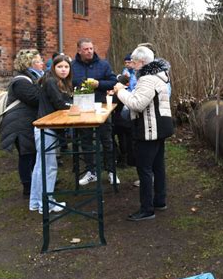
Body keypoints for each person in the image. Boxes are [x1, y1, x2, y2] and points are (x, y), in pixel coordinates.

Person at [113, 46, 174, 221]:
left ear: (141, 62)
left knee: (144, 169)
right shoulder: (158, 76)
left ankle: (147, 209)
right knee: (157, 165)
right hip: (159, 128)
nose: (131, 65)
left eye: (133, 61)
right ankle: (159, 201)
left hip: (149, 129)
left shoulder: (147, 79)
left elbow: (137, 104)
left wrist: (120, 91)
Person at [71, 38, 120, 185]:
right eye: (86, 49)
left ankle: (111, 171)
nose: (89, 51)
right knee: (86, 140)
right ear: (79, 50)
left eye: (91, 48)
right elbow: (67, 83)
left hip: (101, 107)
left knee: (107, 139)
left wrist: (99, 84)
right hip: (82, 108)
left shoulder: (103, 64)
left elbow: (113, 82)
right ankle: (91, 171)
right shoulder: (72, 66)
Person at [29, 55, 73, 213]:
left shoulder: (56, 82)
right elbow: (60, 104)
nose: (63, 69)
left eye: (66, 67)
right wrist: (76, 106)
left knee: (40, 166)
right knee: (48, 167)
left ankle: (36, 202)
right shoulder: (51, 81)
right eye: (60, 66)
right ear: (53, 68)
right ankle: (46, 203)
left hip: (46, 127)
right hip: (46, 127)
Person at [0, 49, 43, 196]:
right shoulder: (21, 81)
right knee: (26, 155)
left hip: (23, 121)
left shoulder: (29, 78)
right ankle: (28, 187)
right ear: (29, 63)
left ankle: (35, 183)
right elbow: (34, 99)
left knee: (31, 153)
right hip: (19, 123)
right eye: (38, 61)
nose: (42, 63)